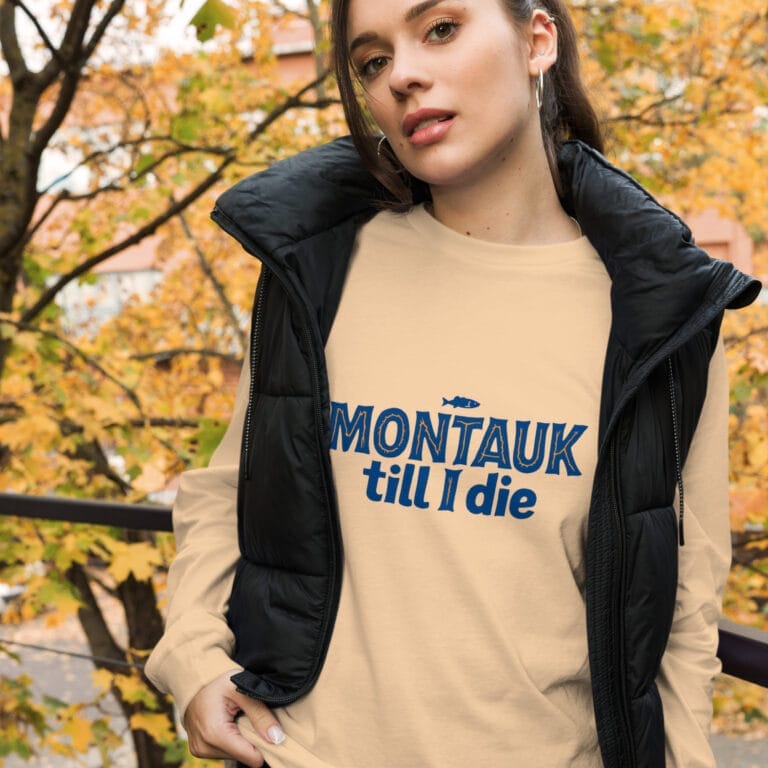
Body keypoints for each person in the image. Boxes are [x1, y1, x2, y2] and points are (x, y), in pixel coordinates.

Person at [145, 1, 762, 766]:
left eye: (440, 29)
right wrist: (194, 661)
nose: (402, 75)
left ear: (538, 40)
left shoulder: (663, 316)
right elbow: (227, 492)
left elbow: (685, 611)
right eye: (372, 61)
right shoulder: (318, 268)